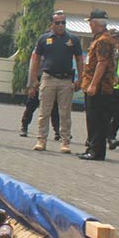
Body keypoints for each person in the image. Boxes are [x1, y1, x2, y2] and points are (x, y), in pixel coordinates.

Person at [27, 10, 83, 153]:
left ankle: (65, 142)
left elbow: (79, 59)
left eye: (63, 22)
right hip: (48, 78)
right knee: (44, 111)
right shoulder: (44, 39)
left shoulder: (72, 40)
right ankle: (41, 140)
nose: (61, 25)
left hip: (65, 80)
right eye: (57, 23)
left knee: (65, 113)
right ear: (52, 24)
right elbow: (36, 59)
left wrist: (80, 79)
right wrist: (33, 79)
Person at [78, 9, 116, 161]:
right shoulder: (101, 38)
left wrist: (93, 84)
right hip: (96, 85)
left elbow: (102, 63)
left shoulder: (103, 41)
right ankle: (92, 148)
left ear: (95, 23)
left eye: (91, 22)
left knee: (97, 119)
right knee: (93, 119)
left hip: (99, 88)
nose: (90, 25)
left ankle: (96, 151)